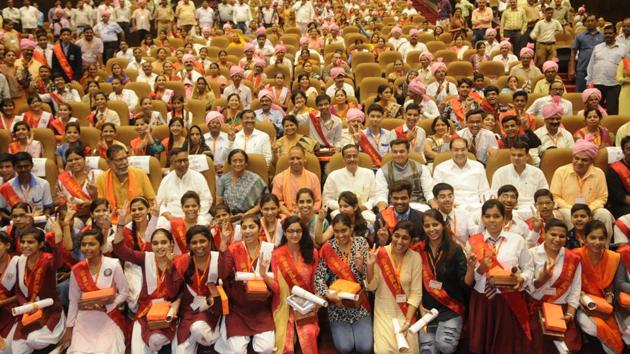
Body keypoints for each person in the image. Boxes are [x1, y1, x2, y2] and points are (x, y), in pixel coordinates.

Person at [466, 200, 534, 354]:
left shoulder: (517, 241)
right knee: (480, 344)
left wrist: (521, 278)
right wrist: (480, 269)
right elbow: (471, 278)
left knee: (506, 345)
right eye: (487, 216)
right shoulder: (473, 242)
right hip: (482, 300)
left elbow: (529, 269)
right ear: (482, 218)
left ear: (504, 218)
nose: (492, 220)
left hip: (508, 300)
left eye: (496, 216)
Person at [415, 209, 474, 354]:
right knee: (427, 351)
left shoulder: (455, 250)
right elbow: (412, 283)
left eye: (435, 224)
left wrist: (471, 269)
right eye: (427, 226)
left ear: (443, 225)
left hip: (450, 308)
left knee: (445, 346)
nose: (431, 229)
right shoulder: (418, 250)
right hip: (426, 310)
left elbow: (464, 284)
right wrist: (420, 307)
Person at [259, 216, 319, 354]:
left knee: (308, 333)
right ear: (285, 233)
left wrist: (316, 302)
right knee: (286, 343)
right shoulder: (276, 255)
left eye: (298, 231)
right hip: (284, 304)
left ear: (303, 232)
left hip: (306, 304)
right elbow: (277, 289)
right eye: (290, 231)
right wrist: (263, 275)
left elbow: (316, 281)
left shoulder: (312, 252)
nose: (295, 235)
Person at [62, 229, 129, 353]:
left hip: (108, 317)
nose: (87, 248)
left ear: (100, 246)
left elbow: (124, 292)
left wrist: (108, 305)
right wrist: (69, 328)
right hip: (84, 319)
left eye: (92, 244)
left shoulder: (113, 264)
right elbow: (73, 301)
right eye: (84, 244)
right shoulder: (77, 269)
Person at [216, 215, 275, 354]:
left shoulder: (268, 248)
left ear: (259, 228)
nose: (248, 231)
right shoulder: (233, 249)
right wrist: (223, 243)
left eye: (252, 227)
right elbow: (223, 274)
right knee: (236, 351)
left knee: (266, 348)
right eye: (244, 227)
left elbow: (276, 278)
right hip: (239, 306)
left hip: (261, 305)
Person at [314, 213, 372, 354]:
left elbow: (370, 280)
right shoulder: (328, 247)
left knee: (365, 348)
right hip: (337, 305)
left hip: (360, 304)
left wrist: (362, 268)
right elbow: (318, 278)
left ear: (351, 228)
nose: (340, 235)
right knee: (344, 348)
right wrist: (328, 294)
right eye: (337, 231)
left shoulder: (361, 243)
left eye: (344, 230)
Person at [527, 219, 582, 353]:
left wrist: (570, 314)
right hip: (536, 307)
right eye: (553, 234)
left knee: (569, 347)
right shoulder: (531, 254)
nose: (557, 239)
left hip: (561, 309)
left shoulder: (573, 258)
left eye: (562, 236)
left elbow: (575, 289)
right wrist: (540, 281)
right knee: (536, 345)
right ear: (544, 234)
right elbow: (525, 286)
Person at [366, 221, 422, 353]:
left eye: (405, 238)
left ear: (411, 241)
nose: (400, 241)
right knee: (384, 350)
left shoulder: (415, 258)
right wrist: (370, 266)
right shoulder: (380, 253)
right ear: (392, 235)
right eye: (397, 235)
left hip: (405, 313)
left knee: (410, 350)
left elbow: (416, 294)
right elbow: (371, 286)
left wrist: (408, 321)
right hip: (384, 312)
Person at [173, 225, 229, 354]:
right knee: (179, 351)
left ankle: (214, 335)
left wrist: (224, 243)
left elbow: (226, 275)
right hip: (190, 309)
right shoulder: (182, 261)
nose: (199, 246)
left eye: (202, 241)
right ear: (188, 245)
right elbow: (174, 290)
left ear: (210, 241)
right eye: (194, 242)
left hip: (212, 308)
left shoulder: (217, 257)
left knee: (198, 328)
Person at [11, 227, 67, 353]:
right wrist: (25, 305)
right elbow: (18, 291)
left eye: (30, 242)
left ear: (41, 244)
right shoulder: (20, 261)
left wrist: (56, 243)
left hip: (50, 309)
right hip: (28, 311)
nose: (25, 245)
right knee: (16, 349)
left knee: (34, 340)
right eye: (23, 242)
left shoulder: (48, 259)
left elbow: (58, 264)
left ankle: (62, 335)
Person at [550, 137, 614, 237]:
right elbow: (555, 197)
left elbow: (602, 197)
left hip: (591, 210)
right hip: (567, 209)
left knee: (604, 214)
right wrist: (573, 210)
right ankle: (574, 246)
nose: (579, 162)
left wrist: (588, 210)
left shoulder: (599, 173)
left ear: (591, 161)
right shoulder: (561, 172)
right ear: (573, 157)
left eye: (584, 160)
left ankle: (603, 248)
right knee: (568, 215)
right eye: (577, 158)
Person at [575, 220, 623, 354]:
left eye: (601, 238)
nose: (597, 242)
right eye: (592, 237)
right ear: (584, 238)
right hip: (581, 304)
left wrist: (610, 295)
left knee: (614, 341)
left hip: (605, 306)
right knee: (593, 328)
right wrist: (581, 299)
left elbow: (615, 285)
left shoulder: (614, 257)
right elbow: (569, 285)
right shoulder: (575, 255)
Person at [323, 144, 385, 224]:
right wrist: (344, 207)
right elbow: (326, 199)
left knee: (375, 222)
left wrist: (365, 206)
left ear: (358, 157)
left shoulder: (369, 173)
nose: (352, 159)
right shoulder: (333, 176)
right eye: (348, 157)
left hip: (363, 211)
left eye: (354, 156)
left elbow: (374, 196)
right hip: (340, 212)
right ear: (343, 159)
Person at [95, 145, 155, 221]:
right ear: (109, 162)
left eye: (125, 158)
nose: (125, 162)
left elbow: (151, 202)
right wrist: (93, 194)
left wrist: (130, 217)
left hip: (137, 219)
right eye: (119, 160)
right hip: (111, 220)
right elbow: (101, 207)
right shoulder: (102, 178)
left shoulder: (140, 174)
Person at [491, 142, 548, 218]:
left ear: (527, 156)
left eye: (520, 155)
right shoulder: (500, 172)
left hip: (531, 210)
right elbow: (494, 195)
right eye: (513, 155)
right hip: (507, 210)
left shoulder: (537, 173)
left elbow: (544, 194)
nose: (516, 158)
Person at [375, 139, 435, 211]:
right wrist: (382, 210)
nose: (398, 154)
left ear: (408, 152)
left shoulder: (422, 168)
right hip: (394, 205)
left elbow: (428, 192)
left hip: (418, 204)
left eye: (401, 151)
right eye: (395, 152)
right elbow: (381, 194)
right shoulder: (382, 171)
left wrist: (435, 208)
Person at [156, 147, 212, 221]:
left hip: (195, 215)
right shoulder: (166, 180)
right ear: (172, 163)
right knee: (161, 223)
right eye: (179, 161)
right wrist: (168, 215)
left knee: (203, 221)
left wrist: (196, 215)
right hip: (172, 217)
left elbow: (207, 200)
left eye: (185, 160)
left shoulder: (198, 177)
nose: (183, 164)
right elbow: (159, 203)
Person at [433, 138, 491, 208]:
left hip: (476, 207)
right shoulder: (440, 169)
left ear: (467, 150)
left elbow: (484, 191)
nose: (460, 153)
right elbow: (437, 193)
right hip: (451, 208)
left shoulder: (478, 167)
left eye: (463, 149)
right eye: (456, 150)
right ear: (451, 150)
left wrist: (486, 208)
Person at [586, 24, 627, 115]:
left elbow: (627, 66)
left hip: (614, 84)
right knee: (595, 111)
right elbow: (591, 65)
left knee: (613, 111)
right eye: (605, 33)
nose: (607, 35)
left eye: (610, 33)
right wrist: (589, 81)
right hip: (598, 83)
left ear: (615, 34)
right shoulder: (597, 47)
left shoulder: (623, 48)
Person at [271, 145, 321, 215]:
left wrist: (306, 214)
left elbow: (318, 201)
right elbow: (276, 202)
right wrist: (290, 215)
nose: (295, 161)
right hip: (286, 216)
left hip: (309, 215)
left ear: (304, 159)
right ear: (288, 160)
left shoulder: (313, 178)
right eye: (292, 158)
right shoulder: (279, 178)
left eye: (298, 158)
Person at [216, 149, 267, 217]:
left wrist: (245, 215)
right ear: (230, 163)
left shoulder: (255, 180)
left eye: (241, 161)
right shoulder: (223, 179)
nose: (238, 164)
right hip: (228, 217)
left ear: (246, 163)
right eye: (234, 161)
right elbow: (219, 203)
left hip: (250, 216)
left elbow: (262, 204)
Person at [569, 15, 603, 93]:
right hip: (582, 68)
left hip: (598, 69)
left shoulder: (603, 36)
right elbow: (573, 53)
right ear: (585, 23)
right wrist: (572, 68)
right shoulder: (580, 36)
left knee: (597, 94)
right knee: (580, 93)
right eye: (588, 21)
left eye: (592, 21)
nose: (590, 23)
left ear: (597, 22)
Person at [606, 136, 630, 218]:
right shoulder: (614, 169)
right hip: (622, 207)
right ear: (623, 151)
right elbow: (619, 196)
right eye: (629, 149)